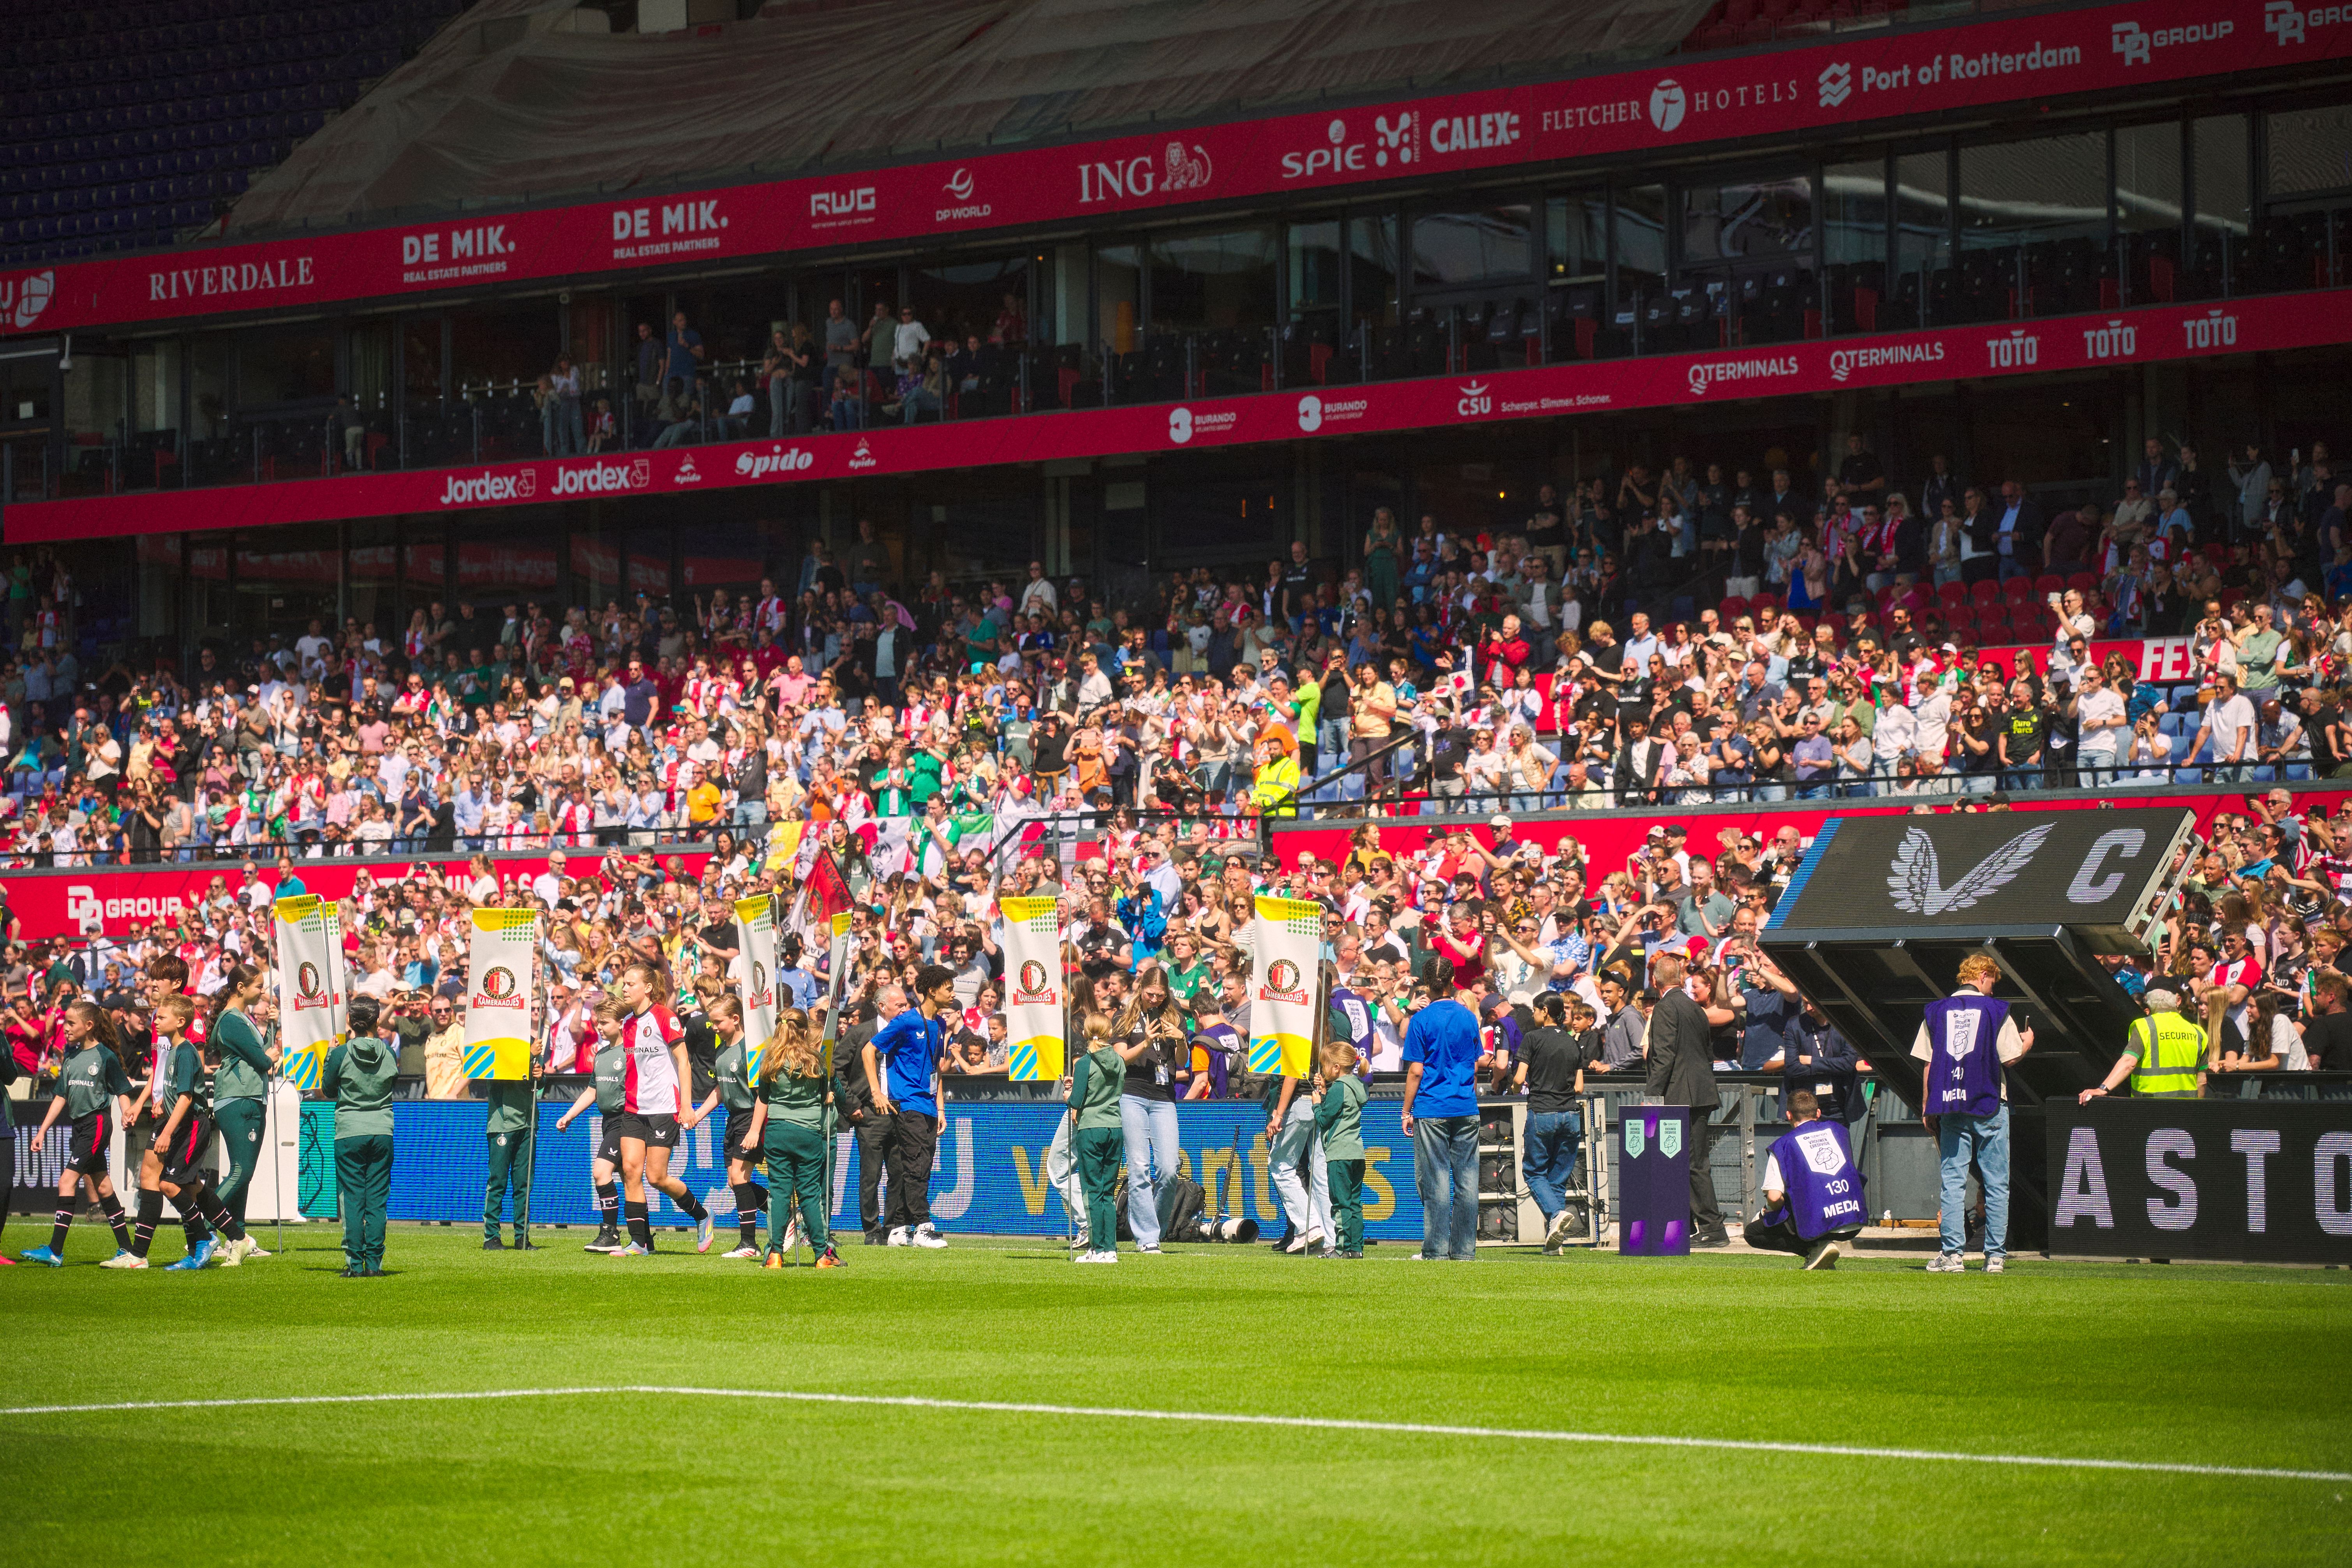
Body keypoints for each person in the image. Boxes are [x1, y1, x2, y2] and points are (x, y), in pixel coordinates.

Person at [1913, 952, 2034, 1273]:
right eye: (1993, 980)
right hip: (1991, 1102)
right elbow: (2010, 1058)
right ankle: (1995, 1256)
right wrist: (2028, 1043)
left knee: (1953, 1180)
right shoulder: (1997, 1010)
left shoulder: (1935, 1011)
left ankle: (1952, 1255)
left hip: (1951, 1104)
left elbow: (1928, 1063)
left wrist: (1927, 1105)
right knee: (1997, 1181)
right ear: (1983, 975)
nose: (1993, 988)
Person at [124, 993, 246, 1270]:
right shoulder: (173, 1049)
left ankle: (204, 1240)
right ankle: (236, 1239)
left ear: (180, 1021)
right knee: (191, 1187)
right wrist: (159, 1104)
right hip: (180, 1123)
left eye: (162, 1017)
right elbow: (174, 1092)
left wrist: (167, 1132)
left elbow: (187, 1098)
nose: (156, 1021)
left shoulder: (187, 1051)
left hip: (191, 1125)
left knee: (169, 1184)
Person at [21, 999, 137, 1266]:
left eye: (71, 1023)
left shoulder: (105, 1056)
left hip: (96, 1123)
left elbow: (121, 1089)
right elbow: (61, 1095)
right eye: (65, 1022)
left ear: (89, 1025)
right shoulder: (70, 1056)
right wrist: (42, 1131)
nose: (66, 1027)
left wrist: (126, 1112)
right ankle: (128, 1250)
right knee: (104, 1186)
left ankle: (55, 1250)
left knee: (66, 1181)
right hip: (80, 1126)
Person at [611, 960, 714, 1257]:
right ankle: (639, 1243)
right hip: (633, 1108)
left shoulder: (664, 1017)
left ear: (648, 988)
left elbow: (684, 1061)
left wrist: (686, 1106)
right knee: (630, 1171)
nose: (625, 987)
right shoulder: (628, 1023)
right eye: (624, 983)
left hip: (664, 1107)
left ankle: (702, 1216)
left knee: (656, 1177)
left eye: (631, 983)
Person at [1643, 951, 1735, 1247]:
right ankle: (1694, 1226)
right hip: (1699, 1091)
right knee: (1687, 1161)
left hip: (1681, 1095)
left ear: (1655, 981)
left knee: (1692, 1163)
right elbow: (1705, 1053)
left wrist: (1652, 1095)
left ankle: (1712, 1228)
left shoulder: (1666, 1008)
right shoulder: (1695, 1008)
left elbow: (1665, 1055)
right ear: (1681, 979)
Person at [863, 963, 955, 1248]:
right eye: (948, 988)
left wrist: (940, 1108)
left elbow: (936, 1069)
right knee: (917, 1166)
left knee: (917, 1166)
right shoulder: (905, 1021)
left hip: (928, 1106)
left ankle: (899, 1228)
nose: (952, 993)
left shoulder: (939, 1024)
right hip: (909, 1103)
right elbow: (870, 1050)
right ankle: (923, 1228)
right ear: (932, 990)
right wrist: (877, 1092)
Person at [1401, 979, 1482, 1261]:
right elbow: (1474, 1062)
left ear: (1429, 986)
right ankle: (1463, 1251)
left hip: (1432, 1105)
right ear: (1450, 982)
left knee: (1435, 1181)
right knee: (1468, 1181)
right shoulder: (1469, 1017)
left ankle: (1436, 1249)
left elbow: (1415, 1070)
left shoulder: (1421, 1019)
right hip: (1465, 1105)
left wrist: (1406, 1110)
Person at [753, 1007, 841, 1268]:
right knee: (810, 1194)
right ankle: (822, 1255)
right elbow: (829, 1089)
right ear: (805, 1032)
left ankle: (775, 1254)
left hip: (778, 1131)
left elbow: (765, 1096)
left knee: (779, 1193)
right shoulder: (818, 1061)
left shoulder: (769, 1061)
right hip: (809, 1132)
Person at [1742, 1088, 1867, 1269]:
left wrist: (1765, 1212)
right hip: (1854, 1220)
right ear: (1818, 1113)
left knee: (1752, 1233)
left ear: (1788, 1115)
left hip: (1819, 1222)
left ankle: (1814, 1251)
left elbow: (1775, 1198)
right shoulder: (1840, 1132)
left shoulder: (1783, 1145)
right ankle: (1820, 1252)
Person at [319, 995, 397, 1278]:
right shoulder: (388, 1051)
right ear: (378, 1021)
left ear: (351, 1021)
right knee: (377, 1199)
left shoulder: (341, 1054)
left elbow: (328, 1090)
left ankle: (355, 1264)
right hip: (381, 1129)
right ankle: (375, 1264)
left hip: (350, 1131)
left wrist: (331, 1054)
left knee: (353, 1199)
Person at [1513, 989, 1594, 1252]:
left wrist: (1517, 1088)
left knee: (1534, 1173)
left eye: (1536, 1010)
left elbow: (1518, 1078)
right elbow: (1580, 1086)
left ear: (1545, 1011)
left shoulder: (1533, 1038)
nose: (1534, 1015)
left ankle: (1555, 1214)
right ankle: (1554, 1242)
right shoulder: (1573, 1042)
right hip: (1570, 1114)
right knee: (1558, 1178)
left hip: (1542, 1111)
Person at [691, 994, 770, 1259]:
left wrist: (755, 1130)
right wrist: (698, 1115)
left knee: (739, 1178)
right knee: (737, 1181)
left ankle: (749, 1243)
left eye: (718, 1022)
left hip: (751, 1116)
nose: (714, 1027)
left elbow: (764, 1094)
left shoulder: (752, 1049)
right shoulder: (722, 1048)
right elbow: (721, 1089)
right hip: (733, 1118)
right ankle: (782, 1210)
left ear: (736, 1019)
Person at [1114, 970, 1186, 1254]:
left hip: (1164, 1096)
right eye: (1150, 994)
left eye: (1160, 994)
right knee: (1139, 1167)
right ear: (1141, 988)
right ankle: (1147, 1237)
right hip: (1131, 1093)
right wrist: (1145, 1041)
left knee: (1170, 1168)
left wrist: (1181, 1039)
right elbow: (1119, 1058)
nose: (1154, 999)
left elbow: (1181, 1063)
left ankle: (1153, 1225)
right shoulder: (1125, 1017)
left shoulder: (1175, 1015)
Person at [207, 963, 276, 1256]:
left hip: (250, 1096)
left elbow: (262, 1055)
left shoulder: (243, 1019)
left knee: (243, 1173)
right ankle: (201, 1229)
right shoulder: (232, 1020)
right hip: (240, 1098)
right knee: (241, 1170)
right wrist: (269, 1056)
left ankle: (237, 1238)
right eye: (259, 986)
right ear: (240, 987)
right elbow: (262, 1061)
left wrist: (272, 1028)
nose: (263, 991)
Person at [553, 999, 628, 1252]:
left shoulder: (632, 1053)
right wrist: (569, 1115)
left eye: (605, 1022)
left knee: (601, 1172)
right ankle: (644, 1237)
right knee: (632, 1180)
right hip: (609, 1122)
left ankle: (610, 1233)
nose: (600, 1027)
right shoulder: (602, 1054)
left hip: (626, 1121)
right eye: (598, 1022)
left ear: (621, 1022)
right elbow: (592, 1090)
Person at [1067, 1011, 1127, 1264]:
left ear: (1084, 1033)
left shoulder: (1084, 1063)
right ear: (1110, 1033)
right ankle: (1110, 1249)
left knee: (1092, 1190)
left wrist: (1069, 1091)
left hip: (1091, 1128)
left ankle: (1096, 1247)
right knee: (1107, 1192)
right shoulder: (1121, 1061)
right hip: (1115, 1126)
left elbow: (1076, 1100)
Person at [2077, 987, 2208, 1102]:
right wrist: (2196, 1110)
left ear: (2150, 1005)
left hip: (2149, 1106)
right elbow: (2202, 1081)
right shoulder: (2197, 1032)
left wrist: (2103, 1089)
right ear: (2175, 1003)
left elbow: (2129, 1062)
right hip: (2186, 1107)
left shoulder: (2145, 1026)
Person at [480, 1017, 540, 1254]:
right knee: (498, 1182)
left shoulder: (534, 1043)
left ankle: (522, 1236)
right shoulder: (497, 1044)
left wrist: (539, 1072)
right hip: (503, 1122)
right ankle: (491, 1237)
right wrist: (528, 1057)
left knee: (524, 1183)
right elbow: (501, 1074)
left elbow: (539, 1080)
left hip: (528, 1122)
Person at [1311, 1038, 1368, 1259]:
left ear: (1336, 1068)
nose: (1323, 1071)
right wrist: (1326, 1092)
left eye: (1325, 1066)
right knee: (1355, 1204)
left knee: (1341, 1203)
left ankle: (1341, 1249)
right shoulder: (1357, 1085)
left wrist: (1317, 1104)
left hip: (1339, 1153)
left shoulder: (1339, 1088)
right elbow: (1342, 1111)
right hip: (1356, 1152)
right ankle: (1356, 1249)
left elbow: (1325, 1119)